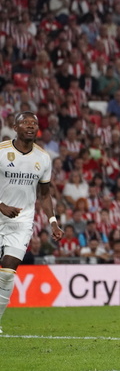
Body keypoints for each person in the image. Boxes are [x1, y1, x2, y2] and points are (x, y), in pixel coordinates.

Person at [0, 112, 63, 333]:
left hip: (22, 221)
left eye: (34, 123)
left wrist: (53, 222)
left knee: (8, 272)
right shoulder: (2, 151)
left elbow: (45, 195)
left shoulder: (43, 158)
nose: (30, 126)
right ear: (15, 127)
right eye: (25, 122)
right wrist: (1, 205)